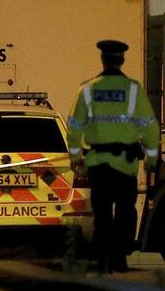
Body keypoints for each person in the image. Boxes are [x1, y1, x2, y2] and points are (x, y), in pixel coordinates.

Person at [67, 40, 160, 273]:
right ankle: (119, 257)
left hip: (98, 163)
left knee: (102, 212)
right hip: (126, 164)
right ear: (122, 60)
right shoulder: (133, 90)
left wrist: (75, 156)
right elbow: (149, 127)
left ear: (103, 59)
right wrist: (151, 158)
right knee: (126, 211)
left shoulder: (87, 90)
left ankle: (102, 258)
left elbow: (75, 126)